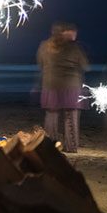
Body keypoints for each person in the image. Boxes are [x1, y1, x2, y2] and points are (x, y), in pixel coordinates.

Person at [37, 22, 89, 152]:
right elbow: (85, 65)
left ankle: (50, 146)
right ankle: (71, 147)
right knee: (70, 118)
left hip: (50, 86)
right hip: (71, 87)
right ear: (67, 33)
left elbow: (40, 64)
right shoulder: (74, 48)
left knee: (51, 117)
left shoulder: (44, 46)